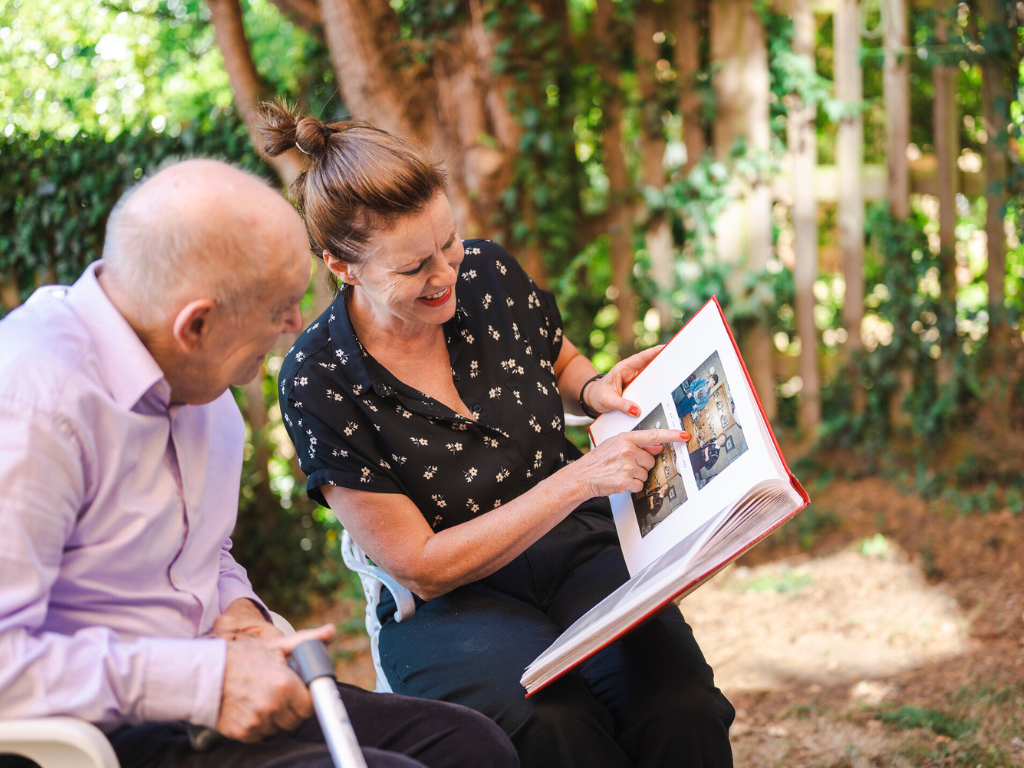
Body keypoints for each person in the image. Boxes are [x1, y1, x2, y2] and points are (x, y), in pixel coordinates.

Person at [0, 159, 519, 768]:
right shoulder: (32, 403)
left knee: (472, 748)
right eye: (279, 310)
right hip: (97, 736)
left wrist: (243, 616)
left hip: (212, 691)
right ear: (195, 324)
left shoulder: (204, 394)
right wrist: (200, 681)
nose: (297, 326)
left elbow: (201, 557)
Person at [263, 104, 735, 768]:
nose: (446, 273)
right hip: (453, 604)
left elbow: (559, 359)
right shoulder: (317, 379)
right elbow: (420, 566)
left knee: (679, 704)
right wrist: (579, 480)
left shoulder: (486, 273)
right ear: (342, 266)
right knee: (552, 729)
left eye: (449, 242)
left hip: (580, 549)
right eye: (413, 267)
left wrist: (596, 388)